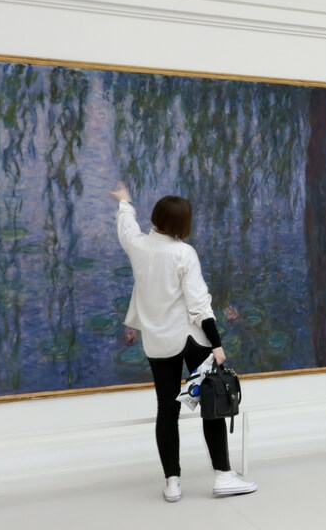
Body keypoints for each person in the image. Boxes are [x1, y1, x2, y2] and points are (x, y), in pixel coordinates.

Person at [109, 182, 257, 501]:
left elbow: (126, 228)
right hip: (191, 342)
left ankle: (172, 483)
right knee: (209, 403)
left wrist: (124, 203)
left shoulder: (138, 245)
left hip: (158, 344)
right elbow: (199, 305)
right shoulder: (183, 253)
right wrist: (216, 346)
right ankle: (222, 476)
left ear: (157, 218)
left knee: (167, 409)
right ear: (182, 224)